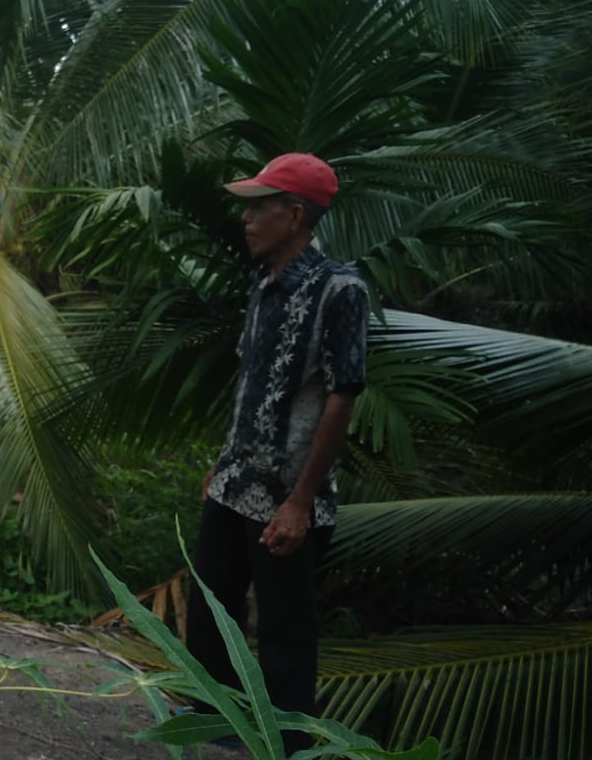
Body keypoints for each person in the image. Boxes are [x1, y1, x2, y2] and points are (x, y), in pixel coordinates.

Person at [184, 152, 368, 751]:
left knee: (286, 633)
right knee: (210, 611)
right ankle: (216, 724)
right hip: (235, 483)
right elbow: (253, 382)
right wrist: (223, 462)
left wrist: (300, 502)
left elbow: (342, 396)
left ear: (294, 215)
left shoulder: (339, 290)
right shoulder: (263, 284)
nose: (247, 218)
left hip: (287, 498)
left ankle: (286, 746)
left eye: (259, 207)